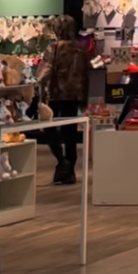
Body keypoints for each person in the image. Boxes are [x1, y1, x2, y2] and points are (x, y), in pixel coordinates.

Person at [39, 15, 89, 184]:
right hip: (74, 95)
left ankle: (61, 161)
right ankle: (69, 170)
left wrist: (36, 86)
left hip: (56, 93)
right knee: (70, 133)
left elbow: (46, 70)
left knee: (48, 127)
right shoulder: (80, 49)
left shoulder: (54, 48)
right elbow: (85, 75)